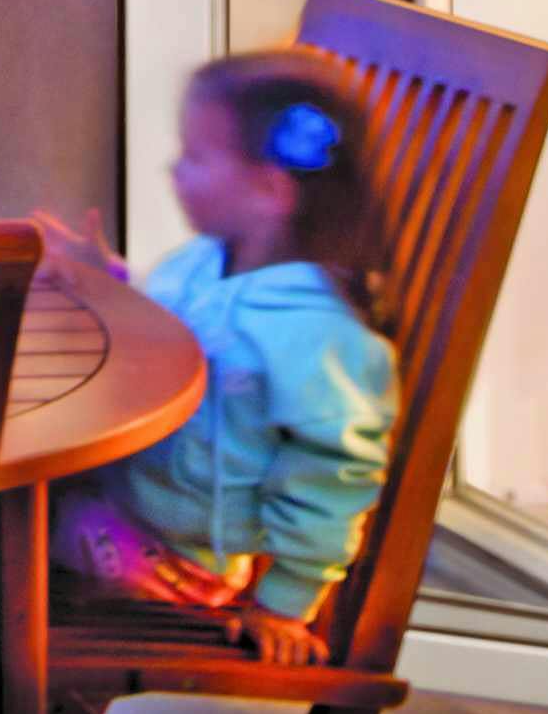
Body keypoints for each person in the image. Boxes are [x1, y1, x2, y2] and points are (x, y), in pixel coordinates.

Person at [27, 50, 399, 667]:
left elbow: (336, 477)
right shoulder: (207, 260)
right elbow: (177, 327)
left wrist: (284, 604)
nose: (174, 168)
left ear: (269, 191)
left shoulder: (317, 334)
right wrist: (109, 279)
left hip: (174, 563)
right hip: (124, 503)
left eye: (196, 157)